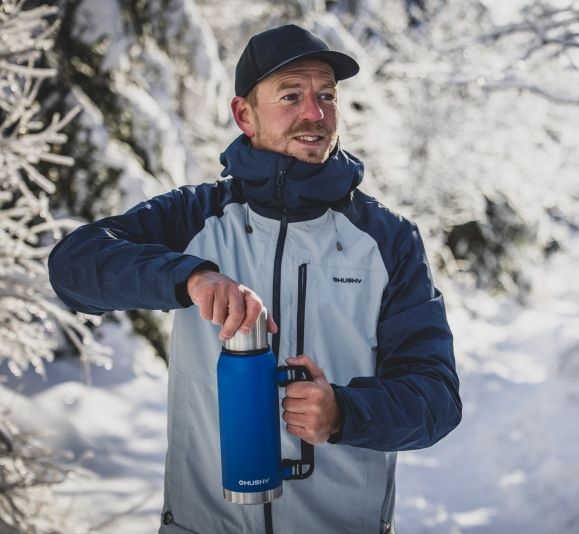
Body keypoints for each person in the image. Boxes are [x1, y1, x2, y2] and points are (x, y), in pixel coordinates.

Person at [48, 24, 461, 534]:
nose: (316, 114)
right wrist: (189, 277)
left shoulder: (387, 239)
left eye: (326, 96)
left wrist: (345, 413)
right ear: (245, 115)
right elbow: (73, 266)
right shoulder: (195, 218)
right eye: (291, 96)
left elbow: (436, 399)